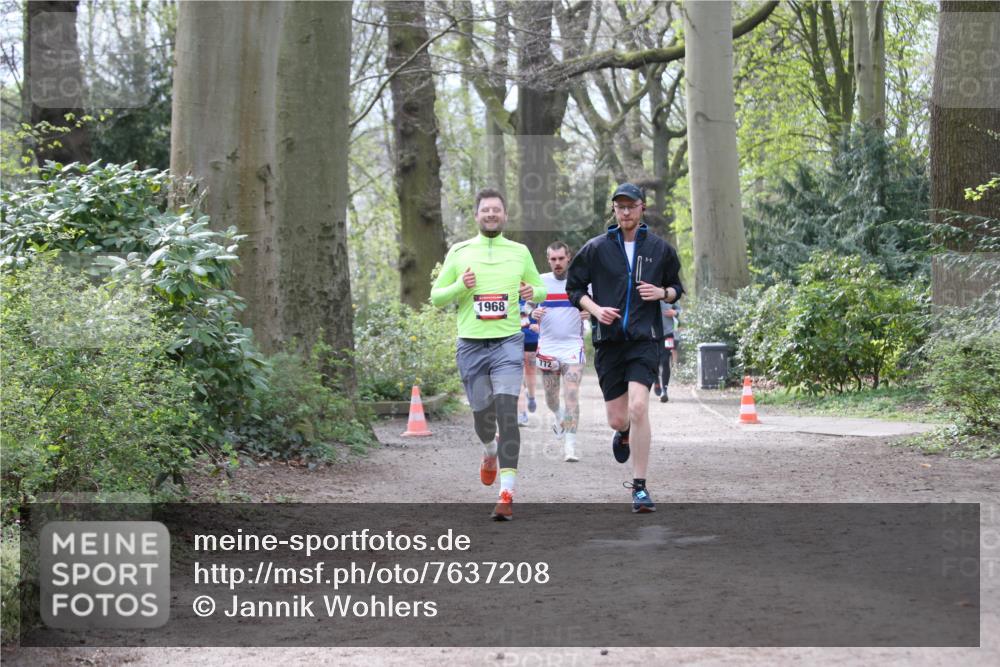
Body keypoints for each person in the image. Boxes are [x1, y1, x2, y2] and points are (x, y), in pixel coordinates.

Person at [566, 183, 684, 513]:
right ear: (614, 211)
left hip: (646, 340)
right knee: (618, 419)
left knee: (639, 407)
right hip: (609, 343)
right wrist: (595, 309)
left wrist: (662, 294)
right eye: (620, 207)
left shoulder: (660, 249)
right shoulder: (596, 248)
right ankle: (624, 433)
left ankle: (640, 487)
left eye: (631, 206)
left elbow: (677, 288)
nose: (626, 212)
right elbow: (575, 288)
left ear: (642, 207)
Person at [431, 187, 546, 521]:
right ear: (477, 215)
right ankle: (489, 450)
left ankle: (506, 495)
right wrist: (459, 287)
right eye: (486, 210)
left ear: (505, 215)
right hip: (471, 344)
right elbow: (437, 296)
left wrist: (531, 291)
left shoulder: (520, 252)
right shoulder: (460, 251)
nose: (491, 214)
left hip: (508, 342)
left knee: (508, 414)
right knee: (483, 419)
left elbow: (539, 287)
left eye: (497, 210)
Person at [531, 241, 588, 462]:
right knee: (551, 397)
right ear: (548, 260)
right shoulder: (540, 283)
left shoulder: (581, 282)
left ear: (568, 258)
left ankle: (570, 446)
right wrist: (533, 314)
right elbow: (527, 309)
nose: (557, 263)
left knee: (572, 394)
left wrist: (589, 314)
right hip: (548, 347)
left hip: (573, 346)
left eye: (561, 259)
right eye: (553, 259)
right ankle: (557, 416)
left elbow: (593, 306)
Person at [517, 299, 539, 426]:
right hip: (513, 339)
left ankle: (531, 396)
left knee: (530, 371)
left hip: (531, 338)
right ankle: (522, 413)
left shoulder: (536, 294)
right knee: (517, 376)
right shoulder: (508, 292)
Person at [653, 301, 681, 403]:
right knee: (654, 360)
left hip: (668, 334)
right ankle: (656, 381)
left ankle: (664, 390)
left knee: (665, 360)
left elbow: (680, 310)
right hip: (652, 335)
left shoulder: (670, 293)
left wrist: (675, 313)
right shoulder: (648, 292)